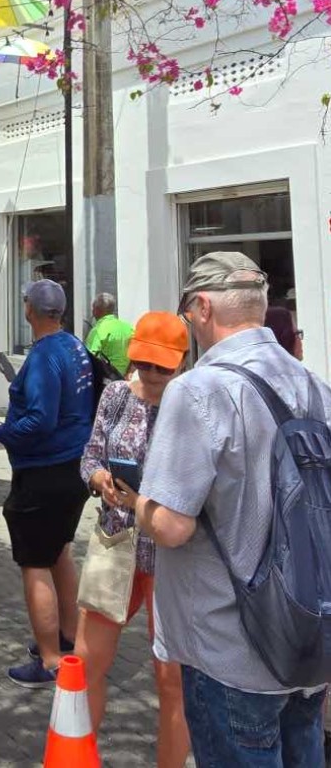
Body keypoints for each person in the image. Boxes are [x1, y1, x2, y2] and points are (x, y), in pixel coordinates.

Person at [137, 252, 331, 767]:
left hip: (230, 646)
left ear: (202, 307)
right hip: (310, 636)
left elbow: (173, 526)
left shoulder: (198, 389)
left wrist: (139, 503)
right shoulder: (316, 387)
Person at [76, 312, 192, 766]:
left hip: (171, 556)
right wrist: (100, 477)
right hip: (116, 540)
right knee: (86, 666)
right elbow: (90, 454)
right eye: (146, 364)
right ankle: (77, 756)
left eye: (163, 366)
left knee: (172, 681)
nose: (153, 374)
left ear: (182, 362)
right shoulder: (116, 395)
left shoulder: (193, 403)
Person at [0, 279, 95, 687]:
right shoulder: (75, 346)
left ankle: (50, 659)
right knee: (60, 553)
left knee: (34, 563)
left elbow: (40, 419)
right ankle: (67, 636)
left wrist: (1, 434)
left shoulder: (47, 354)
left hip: (45, 471)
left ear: (29, 309)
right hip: (74, 467)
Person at [85, 292, 134, 378]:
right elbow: (135, 355)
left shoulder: (98, 331)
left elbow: (89, 359)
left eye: (93, 308)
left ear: (97, 309)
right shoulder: (129, 328)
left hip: (106, 382)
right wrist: (128, 373)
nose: (92, 311)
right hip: (125, 381)